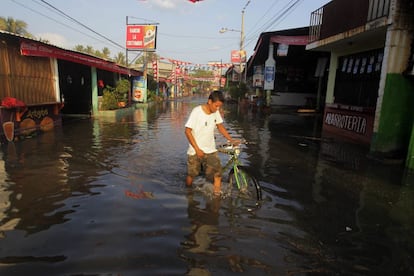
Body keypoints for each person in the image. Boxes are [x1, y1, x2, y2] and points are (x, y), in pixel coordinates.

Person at [184, 90, 238, 195]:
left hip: (211, 150)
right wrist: (197, 149)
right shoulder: (196, 112)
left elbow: (220, 127)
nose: (217, 109)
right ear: (209, 101)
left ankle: (216, 196)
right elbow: (187, 131)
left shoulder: (215, 112)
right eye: (216, 106)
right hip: (195, 151)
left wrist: (231, 139)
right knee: (192, 174)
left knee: (217, 174)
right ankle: (188, 193)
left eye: (219, 106)